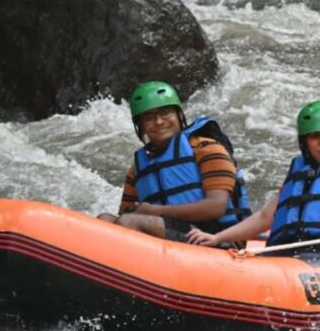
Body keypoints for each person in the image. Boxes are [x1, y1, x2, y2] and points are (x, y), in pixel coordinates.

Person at [187, 100, 320, 258]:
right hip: (291, 254)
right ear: (305, 142)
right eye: (315, 137)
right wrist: (218, 238)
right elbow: (264, 217)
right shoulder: (299, 172)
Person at [98, 81, 251, 241]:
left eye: (165, 113)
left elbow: (216, 207)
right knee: (105, 220)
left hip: (216, 236)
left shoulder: (207, 149)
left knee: (129, 222)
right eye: (149, 118)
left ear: (179, 116)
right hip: (171, 234)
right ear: (141, 126)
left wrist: (155, 211)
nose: (159, 122)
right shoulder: (137, 169)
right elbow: (125, 211)